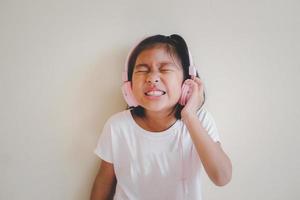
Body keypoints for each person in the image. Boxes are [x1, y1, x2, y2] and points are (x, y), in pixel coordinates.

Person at [90, 34, 232, 200]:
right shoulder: (117, 126)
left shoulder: (199, 121)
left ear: (187, 83)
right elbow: (103, 182)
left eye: (165, 69)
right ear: (129, 86)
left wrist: (189, 116)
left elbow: (222, 177)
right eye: (142, 70)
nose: (152, 78)